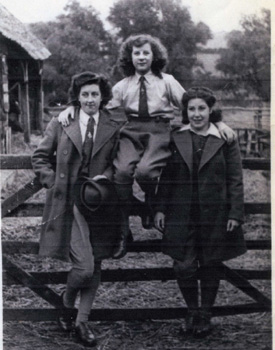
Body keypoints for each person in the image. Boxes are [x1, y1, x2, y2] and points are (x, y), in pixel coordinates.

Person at [58, 35, 235, 259]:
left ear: (155, 56)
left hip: (159, 131)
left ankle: (150, 206)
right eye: (137, 53)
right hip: (131, 130)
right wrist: (71, 108)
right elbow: (96, 102)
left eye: (146, 53)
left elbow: (192, 102)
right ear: (129, 57)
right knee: (121, 173)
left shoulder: (167, 81)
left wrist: (218, 122)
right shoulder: (123, 85)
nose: (141, 57)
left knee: (146, 171)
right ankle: (124, 229)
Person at [32, 72, 123, 347]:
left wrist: (105, 175)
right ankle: (67, 302)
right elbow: (39, 157)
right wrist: (52, 181)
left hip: (99, 202)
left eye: (95, 94)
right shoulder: (63, 122)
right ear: (77, 97)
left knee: (95, 264)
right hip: (69, 203)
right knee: (84, 268)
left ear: (102, 97)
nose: (90, 99)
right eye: (85, 94)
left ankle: (81, 321)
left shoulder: (113, 124)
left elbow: (118, 159)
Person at [154, 87, 246, 338]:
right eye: (191, 109)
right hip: (181, 213)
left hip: (215, 213)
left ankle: (205, 314)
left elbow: (235, 178)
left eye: (201, 109)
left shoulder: (225, 138)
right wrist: (160, 208)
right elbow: (167, 176)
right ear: (185, 111)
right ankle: (192, 310)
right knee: (182, 265)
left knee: (210, 263)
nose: (196, 114)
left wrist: (235, 213)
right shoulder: (176, 137)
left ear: (210, 110)